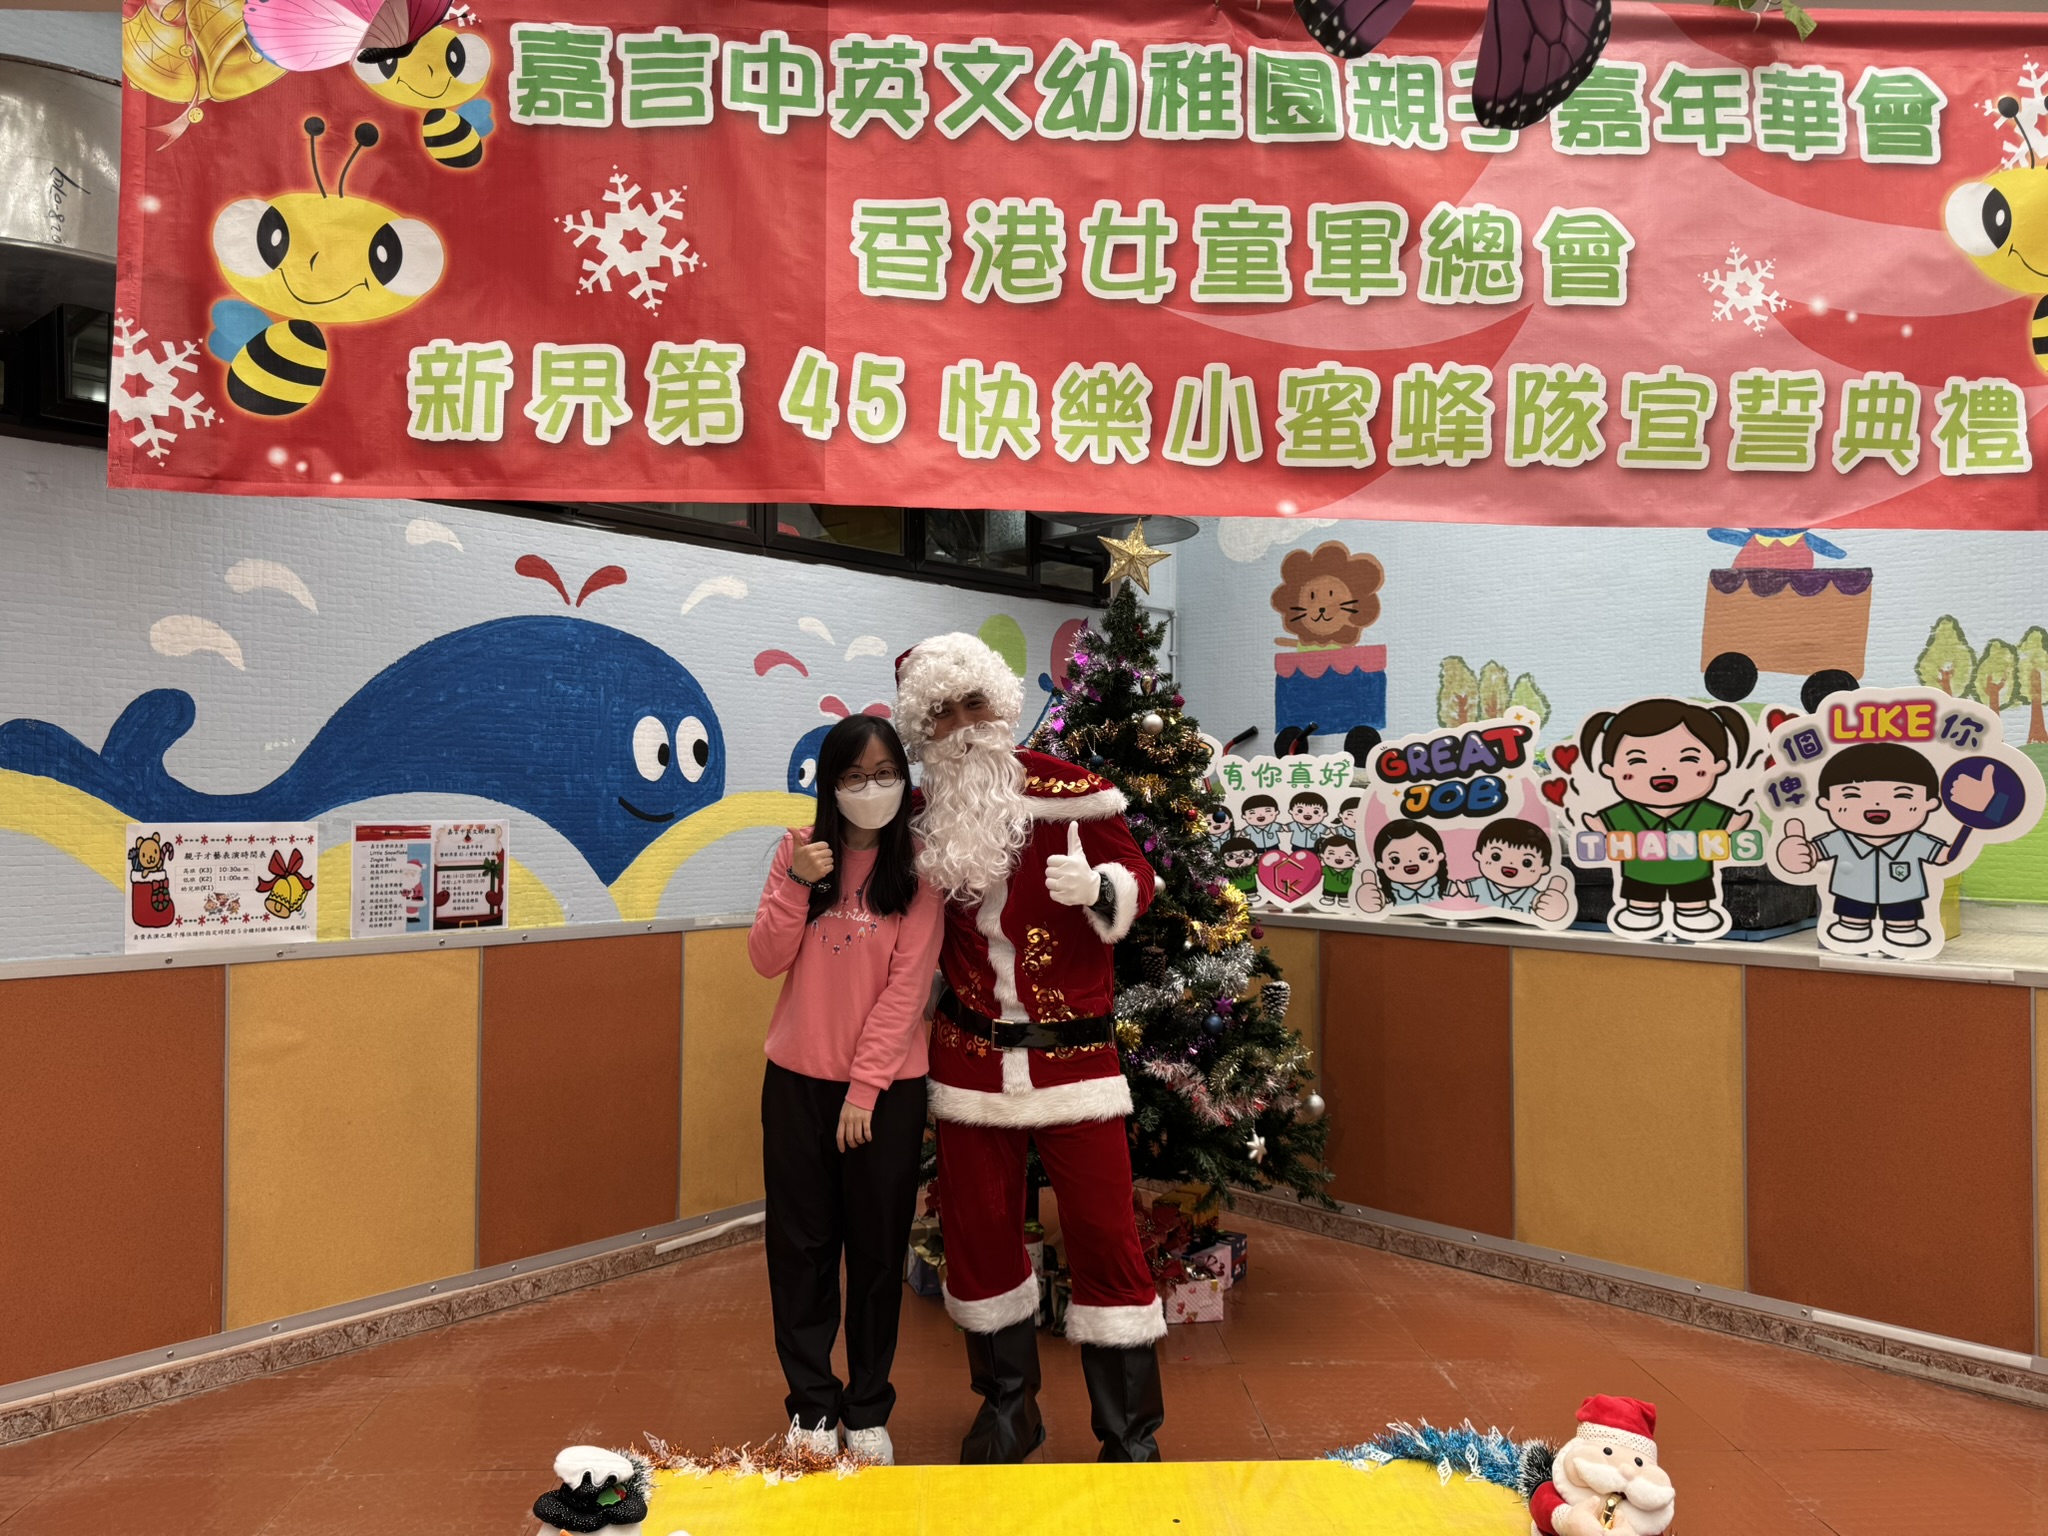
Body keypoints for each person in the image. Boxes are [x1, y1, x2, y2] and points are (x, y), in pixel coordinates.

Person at [895, 632, 1165, 1465]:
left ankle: (1129, 1431)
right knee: (978, 1233)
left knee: (1105, 1232)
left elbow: (1141, 879)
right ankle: (1008, 1407)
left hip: (1075, 1060)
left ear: (1002, 704)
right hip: (970, 1062)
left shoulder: (1073, 793)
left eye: (973, 704)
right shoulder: (920, 817)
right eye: (942, 715)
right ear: (924, 732)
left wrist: (1101, 889)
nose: (963, 727)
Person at [747, 714, 941, 1468]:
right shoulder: (798, 850)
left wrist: (865, 1090)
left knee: (877, 1251)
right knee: (800, 1249)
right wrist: (799, 883)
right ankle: (811, 1406)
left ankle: (867, 1407)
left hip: (885, 1092)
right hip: (797, 1081)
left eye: (885, 774)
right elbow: (766, 958)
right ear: (830, 784)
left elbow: (907, 990)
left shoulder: (919, 869)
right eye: (855, 776)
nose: (872, 789)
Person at [1578, 699, 1752, 940]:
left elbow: (1728, 822)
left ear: (1717, 765)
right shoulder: (1624, 812)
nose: (1662, 771)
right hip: (1640, 873)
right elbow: (1604, 825)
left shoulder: (1706, 811)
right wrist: (1597, 826)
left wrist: (1735, 825)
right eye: (1637, 760)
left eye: (1689, 759)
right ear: (1610, 770)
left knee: (1693, 894)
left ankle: (1693, 911)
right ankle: (1641, 910)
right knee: (1641, 893)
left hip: (1693, 873)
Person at [1775, 742, 1968, 949]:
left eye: (1902, 795)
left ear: (1930, 803)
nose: (1877, 804)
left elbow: (1945, 855)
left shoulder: (1915, 841)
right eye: (1852, 795)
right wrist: (1795, 853)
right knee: (1852, 908)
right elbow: (1813, 852)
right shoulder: (1840, 839)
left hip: (1903, 893)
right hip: (1852, 890)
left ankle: (1902, 929)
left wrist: (1968, 826)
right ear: (1826, 803)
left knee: (1902, 912)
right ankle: (1852, 925)